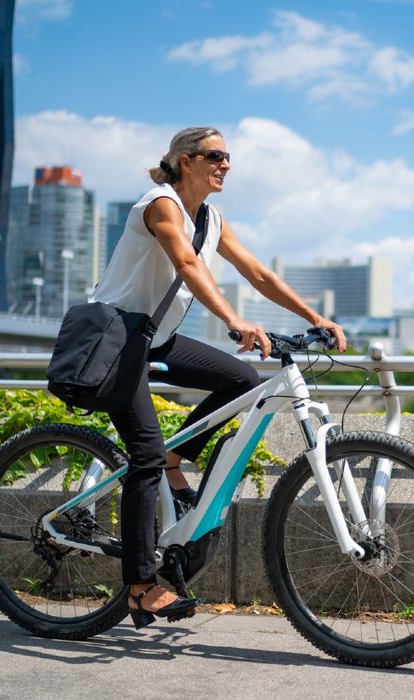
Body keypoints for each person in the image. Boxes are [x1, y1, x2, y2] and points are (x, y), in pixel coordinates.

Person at [88, 126, 347, 627]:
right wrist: (234, 320)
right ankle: (140, 587)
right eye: (215, 155)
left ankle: (175, 458)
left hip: (153, 337)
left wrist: (315, 318)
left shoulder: (211, 218)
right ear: (186, 160)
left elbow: (259, 274)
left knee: (245, 381)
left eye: (229, 157)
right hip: (116, 337)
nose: (226, 164)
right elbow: (184, 262)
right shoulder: (160, 203)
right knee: (140, 459)